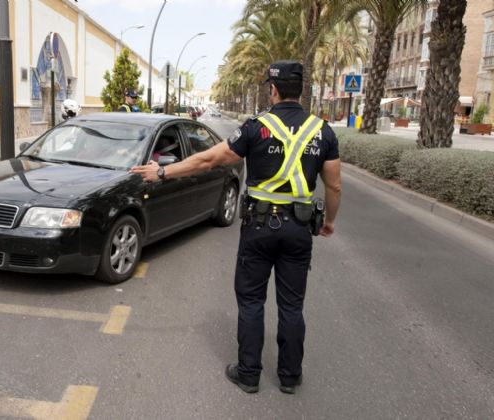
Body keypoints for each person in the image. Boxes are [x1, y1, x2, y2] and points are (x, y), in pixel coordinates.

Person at [130, 60, 341, 395]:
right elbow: (334, 186)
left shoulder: (255, 128)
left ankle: (249, 373)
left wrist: (162, 172)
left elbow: (208, 159)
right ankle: (289, 376)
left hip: (259, 227)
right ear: (300, 91)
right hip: (299, 229)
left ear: (272, 89)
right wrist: (328, 221)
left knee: (252, 301)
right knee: (291, 305)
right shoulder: (324, 131)